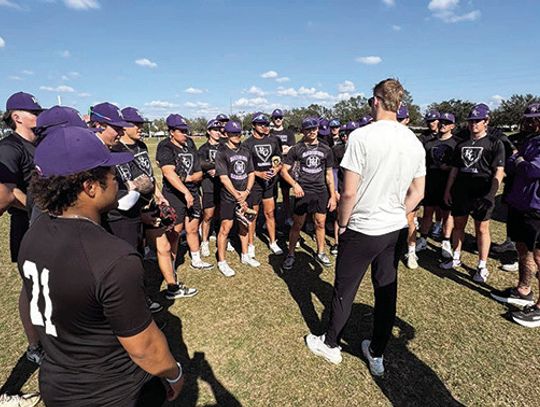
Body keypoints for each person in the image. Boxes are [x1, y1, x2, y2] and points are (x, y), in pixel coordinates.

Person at [20, 126, 184, 406]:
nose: (116, 179)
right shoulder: (113, 257)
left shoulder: (33, 234)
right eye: (110, 173)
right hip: (115, 392)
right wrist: (174, 373)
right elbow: (144, 348)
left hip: (57, 387)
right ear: (90, 187)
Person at [305, 78, 425, 377]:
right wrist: (398, 211)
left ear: (375, 101)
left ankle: (330, 344)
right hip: (394, 228)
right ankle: (377, 351)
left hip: (362, 227)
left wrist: (342, 224)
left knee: (345, 288)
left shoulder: (360, 137)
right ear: (399, 103)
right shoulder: (413, 140)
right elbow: (418, 192)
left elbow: (348, 193)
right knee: (386, 290)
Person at [0, 92, 45, 366]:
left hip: (48, 224)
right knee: (31, 287)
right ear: (17, 117)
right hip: (27, 225)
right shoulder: (9, 147)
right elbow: (7, 189)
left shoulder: (40, 143)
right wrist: (36, 207)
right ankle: (34, 345)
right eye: (34, 113)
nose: (39, 117)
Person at [441, 104, 505, 283]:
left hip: (482, 191)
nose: (473, 124)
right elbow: (454, 170)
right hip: (461, 190)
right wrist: (448, 190)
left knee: (481, 229)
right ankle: (455, 257)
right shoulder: (462, 144)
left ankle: (482, 265)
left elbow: (499, 170)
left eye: (478, 121)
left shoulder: (494, 143)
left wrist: (490, 195)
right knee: (458, 225)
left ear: (486, 121)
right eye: (471, 121)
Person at [491, 103, 540, 327]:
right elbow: (512, 167)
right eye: (528, 119)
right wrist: (516, 157)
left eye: (535, 119)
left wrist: (517, 157)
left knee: (539, 256)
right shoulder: (529, 140)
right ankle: (523, 289)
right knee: (522, 249)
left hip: (537, 207)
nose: (531, 123)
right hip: (520, 204)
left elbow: (531, 171)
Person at [156, 114, 212, 277]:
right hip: (175, 195)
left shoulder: (189, 143)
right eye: (181, 131)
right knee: (175, 232)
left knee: (193, 227)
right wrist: (185, 190)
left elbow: (198, 171)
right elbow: (168, 173)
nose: (185, 134)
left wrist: (191, 181)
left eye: (186, 130)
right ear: (171, 132)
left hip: (193, 191)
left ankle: (196, 258)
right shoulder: (165, 146)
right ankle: (171, 265)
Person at [280, 117, 337, 271]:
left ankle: (320, 252)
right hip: (303, 191)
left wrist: (332, 196)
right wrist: (295, 185)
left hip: (321, 191)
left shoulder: (326, 149)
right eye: (308, 129)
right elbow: (284, 171)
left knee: (320, 223)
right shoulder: (296, 149)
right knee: (298, 224)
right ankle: (291, 254)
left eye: (314, 128)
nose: (312, 131)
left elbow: (329, 174)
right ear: (303, 131)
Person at [214, 120, 257, 276]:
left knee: (245, 225)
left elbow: (251, 172)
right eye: (233, 133)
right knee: (225, 228)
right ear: (226, 134)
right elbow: (224, 178)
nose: (237, 135)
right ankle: (222, 261)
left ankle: (245, 255)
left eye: (239, 133)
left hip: (245, 195)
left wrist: (247, 191)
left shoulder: (246, 151)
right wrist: (237, 196)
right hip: (229, 197)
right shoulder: (222, 152)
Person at [417, 113, 457, 260]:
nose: (443, 125)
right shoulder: (429, 144)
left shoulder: (456, 144)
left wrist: (449, 168)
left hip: (448, 185)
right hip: (431, 183)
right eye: (442, 122)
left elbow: (458, 167)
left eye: (447, 123)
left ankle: (446, 241)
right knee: (427, 212)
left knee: (447, 214)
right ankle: (423, 239)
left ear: (453, 126)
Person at [244, 112, 283, 258]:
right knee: (252, 214)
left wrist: (276, 169)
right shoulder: (247, 143)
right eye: (261, 124)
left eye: (266, 124)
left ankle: (273, 242)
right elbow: (246, 166)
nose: (264, 127)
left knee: (270, 213)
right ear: (253, 125)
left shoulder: (273, 140)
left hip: (269, 183)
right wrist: (258, 174)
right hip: (254, 183)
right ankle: (250, 244)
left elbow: (279, 159)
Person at [396, 104, 422, 269]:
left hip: (408, 186)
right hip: (390, 186)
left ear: (407, 120)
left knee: (409, 219)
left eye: (400, 119)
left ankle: (411, 252)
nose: (397, 122)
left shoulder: (413, 141)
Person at [198, 119, 224, 257]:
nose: (218, 132)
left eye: (219, 130)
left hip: (223, 185)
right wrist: (208, 169)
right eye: (214, 130)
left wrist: (217, 169)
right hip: (209, 185)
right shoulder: (203, 149)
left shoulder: (224, 147)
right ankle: (204, 242)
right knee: (208, 215)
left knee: (221, 213)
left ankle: (222, 238)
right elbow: (200, 164)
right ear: (208, 131)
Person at [270, 108, 297, 226]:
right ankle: (272, 219)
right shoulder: (270, 133)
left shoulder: (289, 133)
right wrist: (283, 149)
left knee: (286, 194)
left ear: (283, 119)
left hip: (286, 167)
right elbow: (271, 150)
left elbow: (292, 149)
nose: (278, 120)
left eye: (280, 117)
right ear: (272, 119)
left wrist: (281, 151)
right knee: (272, 195)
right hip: (274, 167)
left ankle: (288, 217)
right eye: (276, 118)